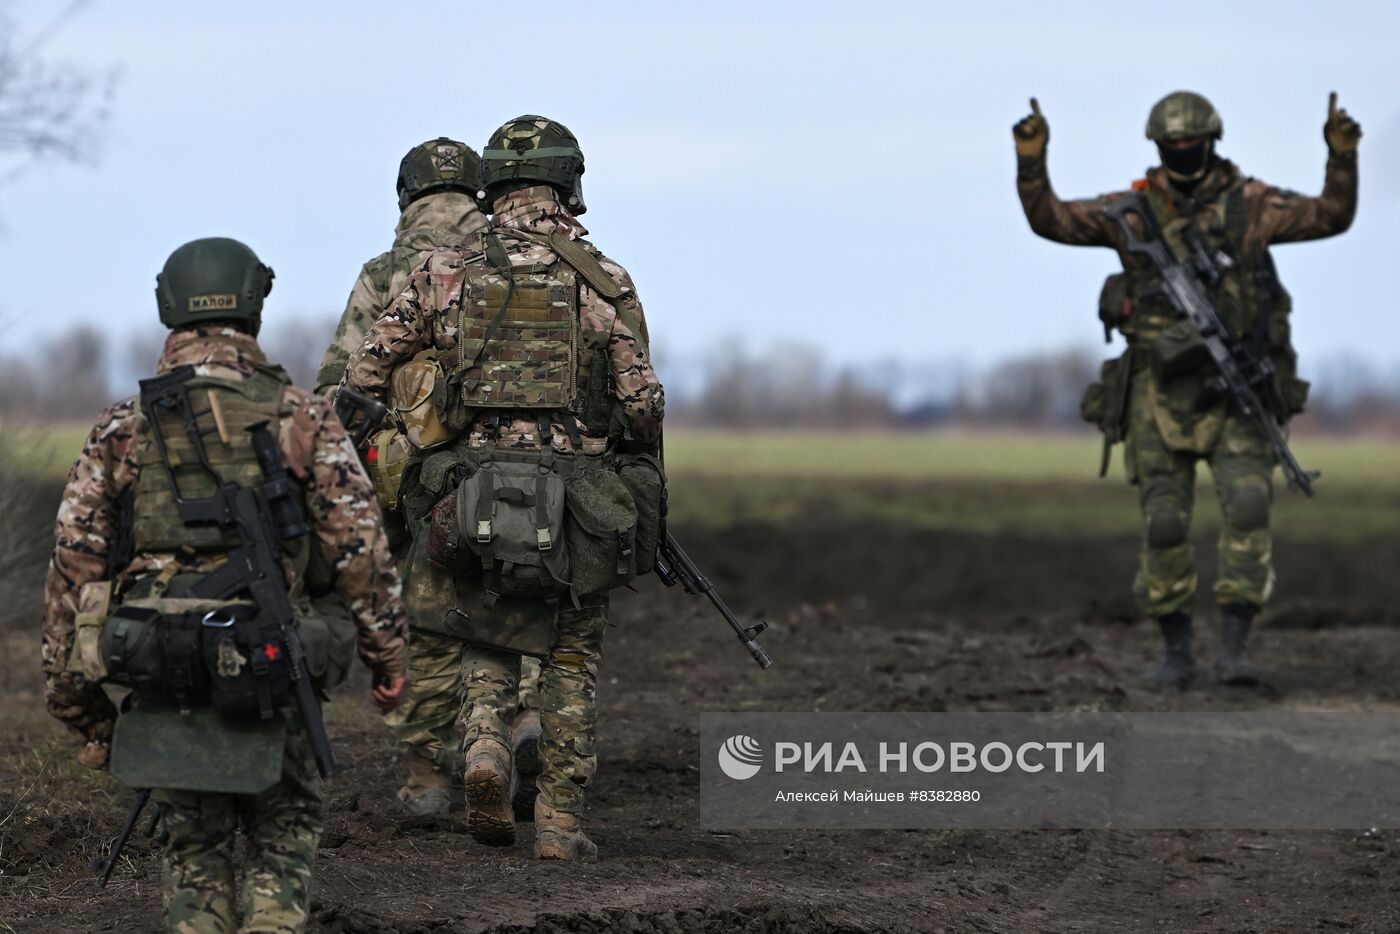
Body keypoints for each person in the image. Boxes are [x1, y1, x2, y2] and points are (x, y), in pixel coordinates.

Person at [42, 237, 410, 931]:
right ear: (255, 307)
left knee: (194, 846)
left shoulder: (122, 427)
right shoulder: (303, 417)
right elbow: (361, 552)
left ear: (168, 310)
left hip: (159, 667)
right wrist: (387, 657)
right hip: (274, 664)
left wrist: (81, 709)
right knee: (284, 828)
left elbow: (72, 572)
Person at [344, 115, 664, 859]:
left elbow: (365, 371)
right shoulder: (603, 277)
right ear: (569, 182)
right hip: (576, 499)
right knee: (572, 660)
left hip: (471, 492)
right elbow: (643, 401)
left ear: (493, 184)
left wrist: (422, 423)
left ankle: (483, 750)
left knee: (483, 632)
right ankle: (558, 826)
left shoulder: (445, 270)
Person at [1014, 91, 1360, 688]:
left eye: (1190, 142)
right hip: (1159, 392)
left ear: (1211, 140)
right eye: (1172, 144)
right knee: (1165, 523)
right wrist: (1031, 162)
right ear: (1157, 145)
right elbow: (1052, 219)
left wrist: (1342, 158)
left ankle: (1234, 650)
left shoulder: (1253, 205)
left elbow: (1331, 215)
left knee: (1249, 510)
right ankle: (1176, 655)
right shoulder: (1132, 211)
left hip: (1236, 390)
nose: (1182, 151)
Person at [317, 137, 543, 819]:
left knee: (424, 614)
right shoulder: (513, 262)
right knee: (515, 593)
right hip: (512, 467)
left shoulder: (384, 271)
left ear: (406, 196)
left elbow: (340, 386)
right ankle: (524, 721)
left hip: (411, 479)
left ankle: (426, 775)